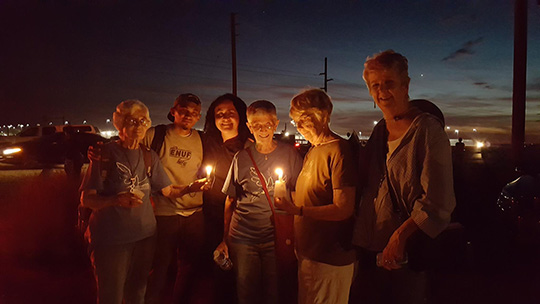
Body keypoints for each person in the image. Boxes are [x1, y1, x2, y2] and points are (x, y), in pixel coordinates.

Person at [351, 50, 456, 303]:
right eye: (375, 85)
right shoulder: (379, 130)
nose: (382, 92)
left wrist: (400, 237)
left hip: (406, 254)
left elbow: (439, 201)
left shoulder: (427, 131)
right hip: (373, 249)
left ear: (405, 85)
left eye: (389, 83)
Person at [80, 99, 188, 304]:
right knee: (111, 295)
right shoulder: (104, 154)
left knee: (137, 292)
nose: (138, 126)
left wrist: (194, 187)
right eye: (131, 121)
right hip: (112, 240)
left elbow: (168, 191)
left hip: (145, 237)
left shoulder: (149, 156)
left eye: (143, 121)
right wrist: (115, 200)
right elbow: (87, 199)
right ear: (119, 123)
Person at [216, 100, 303, 304]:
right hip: (243, 237)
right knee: (246, 291)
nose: (263, 130)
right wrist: (225, 239)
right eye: (257, 125)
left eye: (268, 124)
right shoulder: (241, 158)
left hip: (275, 236)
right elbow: (230, 199)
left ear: (276, 124)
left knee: (273, 291)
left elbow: (299, 194)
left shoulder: (289, 155)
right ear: (249, 127)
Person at [276, 88, 357, 304]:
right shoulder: (314, 149)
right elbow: (314, 195)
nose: (299, 126)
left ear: (322, 115)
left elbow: (343, 208)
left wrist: (298, 210)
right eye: (295, 121)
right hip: (308, 253)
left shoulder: (339, 150)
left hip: (329, 258)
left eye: (304, 119)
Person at [144, 93, 209, 304]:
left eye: (194, 113)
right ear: (173, 112)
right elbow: (126, 148)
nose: (188, 116)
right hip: (163, 212)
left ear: (199, 117)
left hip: (194, 213)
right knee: (159, 266)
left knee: (188, 267)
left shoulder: (202, 139)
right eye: (183, 111)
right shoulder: (156, 134)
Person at [201, 93, 252, 303]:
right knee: (215, 271)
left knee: (240, 275)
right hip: (210, 217)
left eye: (231, 113)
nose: (224, 117)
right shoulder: (206, 143)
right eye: (219, 113)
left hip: (240, 220)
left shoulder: (249, 147)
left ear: (241, 116)